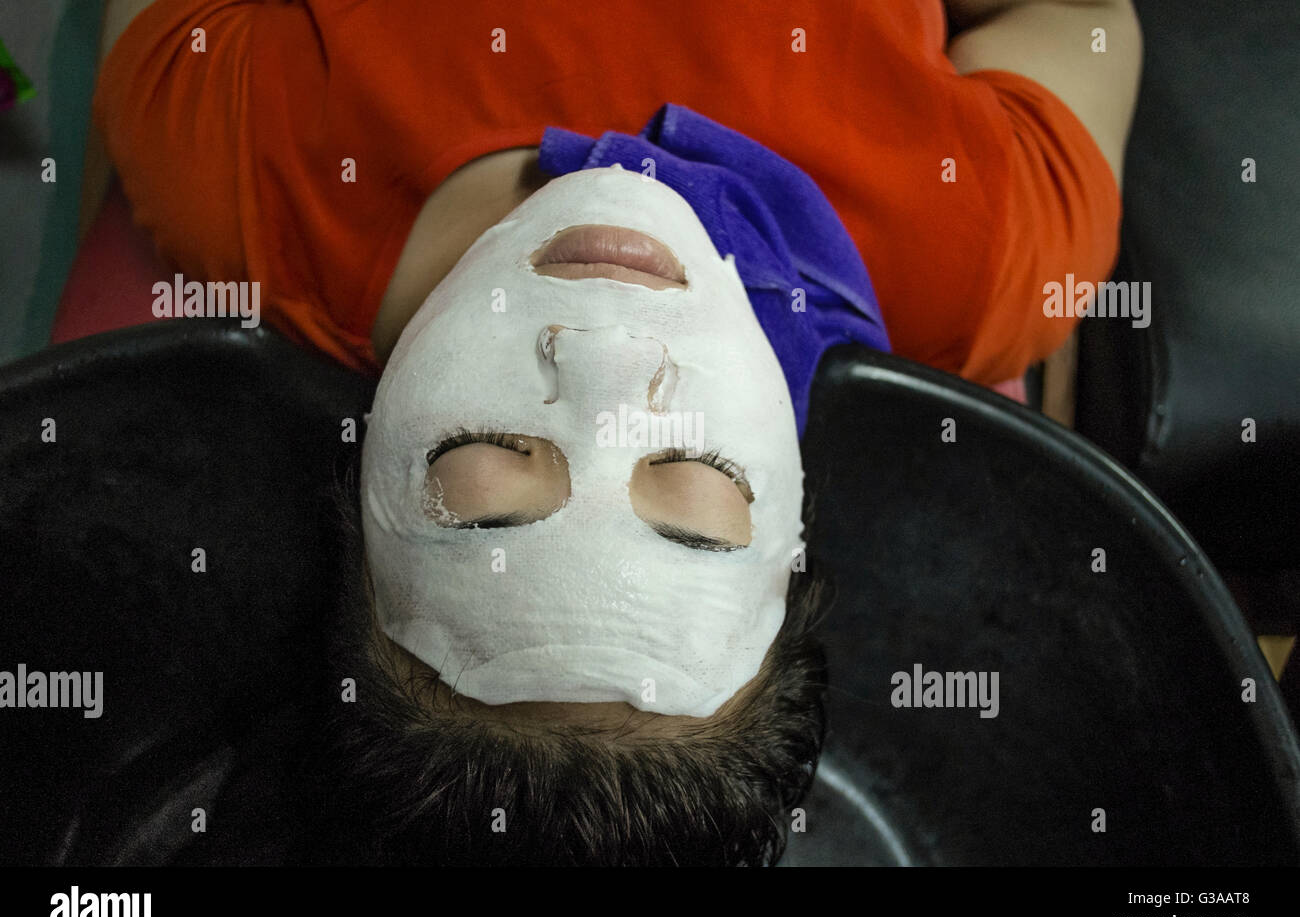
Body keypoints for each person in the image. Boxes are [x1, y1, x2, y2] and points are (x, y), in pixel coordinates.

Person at [79, 0, 1141, 865]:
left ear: (357, 497)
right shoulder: (977, 245)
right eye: (686, 473)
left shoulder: (229, 142)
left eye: (488, 475)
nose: (604, 361)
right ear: (794, 519)